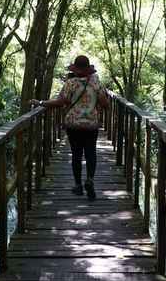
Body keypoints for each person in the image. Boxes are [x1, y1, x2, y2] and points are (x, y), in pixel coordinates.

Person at [30, 55, 109, 200]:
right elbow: (105, 103)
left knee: (76, 155)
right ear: (89, 69)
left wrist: (41, 102)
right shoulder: (96, 82)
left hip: (73, 125)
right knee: (91, 153)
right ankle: (90, 180)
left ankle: (78, 186)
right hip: (91, 124)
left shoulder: (70, 83)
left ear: (76, 69)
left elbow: (60, 102)